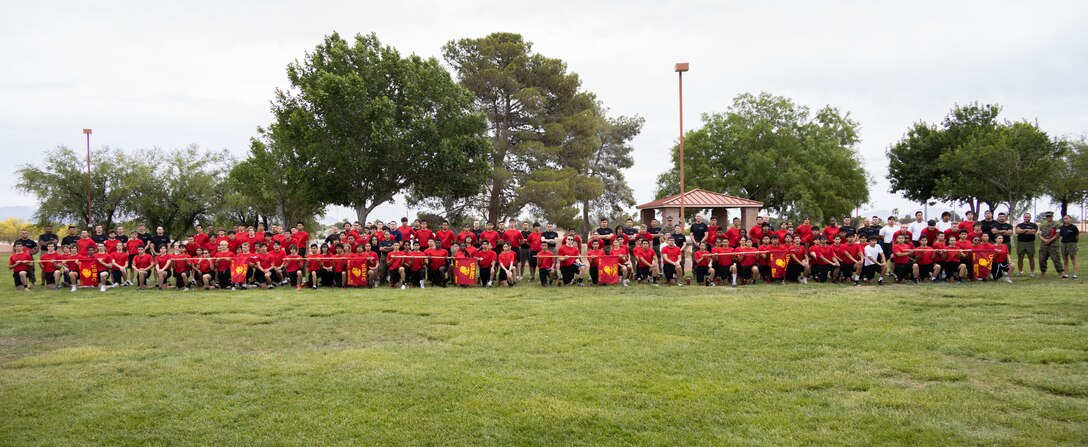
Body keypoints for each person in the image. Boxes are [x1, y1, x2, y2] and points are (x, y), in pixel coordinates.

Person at [1037, 211, 1064, 278]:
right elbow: (1039, 235)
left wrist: (1050, 240)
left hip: (1053, 245)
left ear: (1052, 216)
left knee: (1056, 259)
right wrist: (1045, 240)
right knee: (1042, 259)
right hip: (1044, 245)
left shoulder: (1057, 225)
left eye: (1050, 216)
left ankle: (1060, 272)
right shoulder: (1042, 226)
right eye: (1047, 216)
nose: (1049, 217)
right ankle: (1042, 272)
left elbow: (1058, 234)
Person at [1059, 214, 1079, 279]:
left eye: (1067, 218)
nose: (1066, 219)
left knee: (1074, 260)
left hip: (1072, 244)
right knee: (1065, 260)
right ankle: (1066, 274)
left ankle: (1075, 275)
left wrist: (1074, 243)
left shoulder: (1073, 227)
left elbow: (1077, 237)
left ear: (1070, 219)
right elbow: (1060, 235)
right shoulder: (1062, 227)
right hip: (1063, 244)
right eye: (1065, 218)